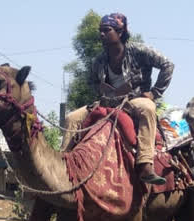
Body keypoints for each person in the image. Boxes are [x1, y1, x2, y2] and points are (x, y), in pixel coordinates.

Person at [62, 12, 174, 185]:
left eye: (106, 30)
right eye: (100, 30)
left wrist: (154, 93)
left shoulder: (139, 51)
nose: (101, 34)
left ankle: (145, 164)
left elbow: (168, 65)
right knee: (71, 118)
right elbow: (92, 82)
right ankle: (64, 161)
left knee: (148, 108)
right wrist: (101, 89)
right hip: (106, 102)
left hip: (133, 100)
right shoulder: (99, 61)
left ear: (120, 32)